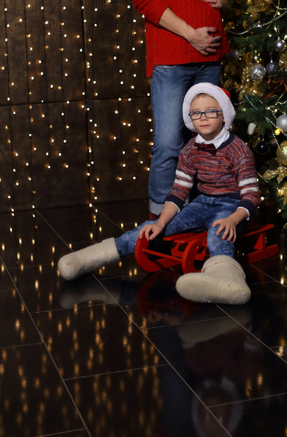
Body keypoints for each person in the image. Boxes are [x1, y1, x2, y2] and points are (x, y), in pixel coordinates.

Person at [57, 84, 260, 305]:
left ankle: (229, 283)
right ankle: (88, 258)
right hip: (202, 203)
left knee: (218, 233)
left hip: (232, 205)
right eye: (196, 113)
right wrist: (161, 223)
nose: (203, 117)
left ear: (224, 115)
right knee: (152, 227)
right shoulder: (190, 150)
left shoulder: (239, 150)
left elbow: (251, 195)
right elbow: (179, 191)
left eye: (211, 111)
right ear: (190, 118)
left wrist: (233, 219)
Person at [131, 0, 229, 219]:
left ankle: (198, 213)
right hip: (173, 61)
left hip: (210, 60)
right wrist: (190, 34)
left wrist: (224, 0)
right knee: (169, 144)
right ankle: (160, 221)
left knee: (205, 143)